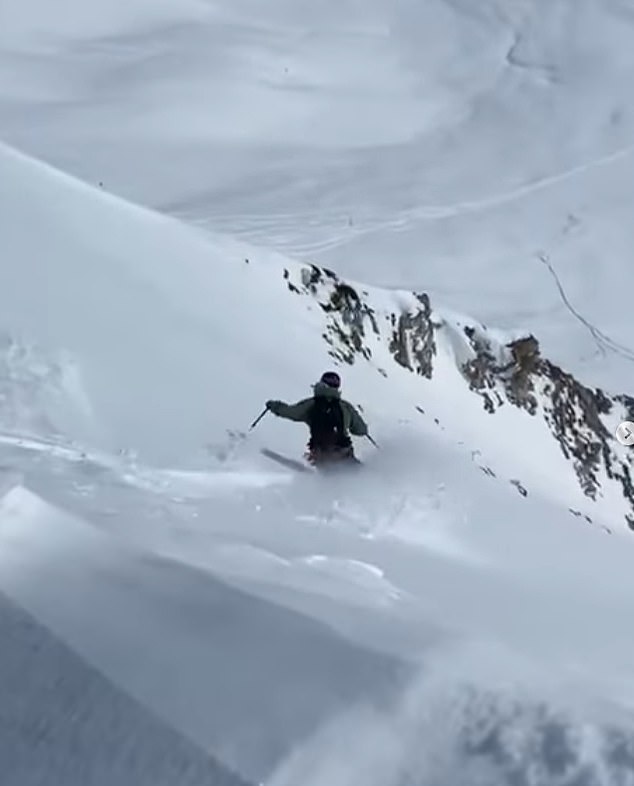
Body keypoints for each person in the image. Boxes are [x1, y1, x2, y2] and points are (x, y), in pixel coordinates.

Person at [266, 371, 368, 464]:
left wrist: (275, 406)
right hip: (344, 453)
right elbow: (361, 430)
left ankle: (323, 479)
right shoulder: (345, 406)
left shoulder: (311, 404)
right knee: (362, 477)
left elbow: (291, 412)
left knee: (328, 471)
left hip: (320, 455)